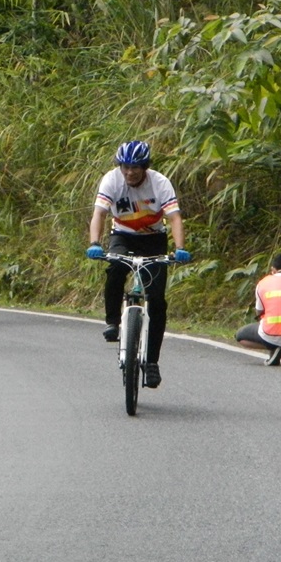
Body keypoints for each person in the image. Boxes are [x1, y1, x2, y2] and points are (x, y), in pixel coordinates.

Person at [86, 140, 191, 389]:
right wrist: (94, 243)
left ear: (145, 167)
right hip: (122, 236)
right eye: (125, 167)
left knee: (156, 300)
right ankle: (112, 322)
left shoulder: (160, 183)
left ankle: (152, 362)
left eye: (135, 167)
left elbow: (174, 218)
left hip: (153, 240)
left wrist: (180, 249)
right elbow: (99, 213)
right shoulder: (112, 180)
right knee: (115, 267)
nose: (129, 172)